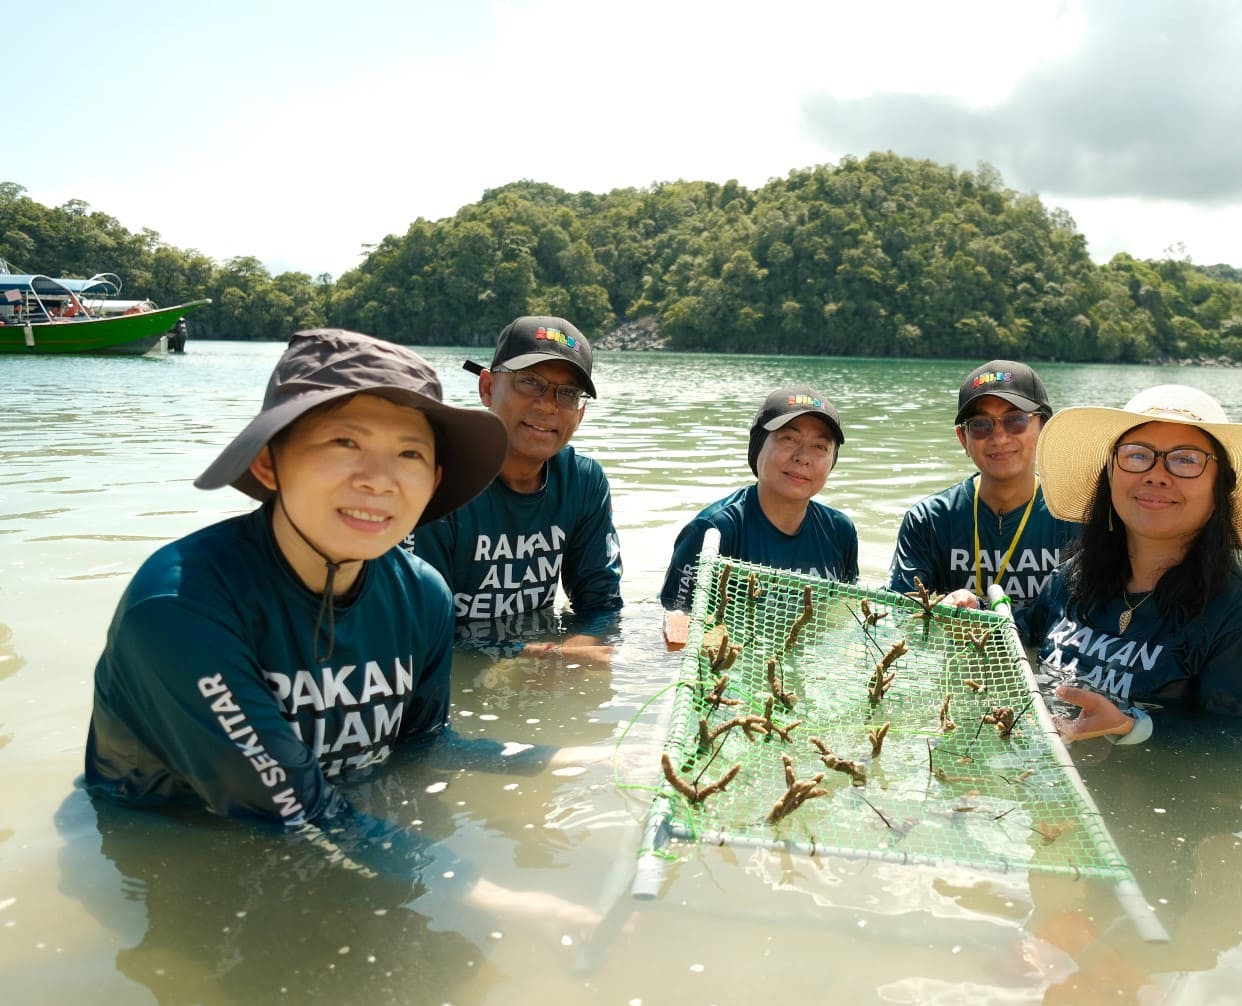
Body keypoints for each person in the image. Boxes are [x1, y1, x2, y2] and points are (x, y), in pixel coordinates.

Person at [83, 328, 612, 916]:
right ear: (268, 460)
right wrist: (486, 893)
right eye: (343, 442)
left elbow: (424, 745)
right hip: (181, 849)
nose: (378, 479)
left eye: (410, 453)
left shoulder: (422, 597)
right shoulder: (182, 607)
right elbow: (290, 804)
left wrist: (571, 759)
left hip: (340, 829)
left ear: (435, 480)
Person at [1003, 383, 1242, 744]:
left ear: (1221, 487)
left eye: (1185, 459)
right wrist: (973, 612)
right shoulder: (1073, 578)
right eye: (1137, 455)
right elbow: (1030, 629)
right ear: (1110, 473)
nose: (1155, 474)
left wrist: (1136, 728)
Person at [409, 315, 622, 659]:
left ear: (580, 415)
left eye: (567, 393)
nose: (548, 405)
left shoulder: (582, 483)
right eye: (530, 382)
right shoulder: (440, 482)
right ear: (488, 388)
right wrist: (540, 655)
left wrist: (579, 650)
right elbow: (420, 632)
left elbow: (601, 605)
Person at [886, 359, 1079, 643]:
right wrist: (941, 611)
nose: (999, 437)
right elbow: (898, 613)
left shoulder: (1075, 518)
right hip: (954, 665)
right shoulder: (929, 520)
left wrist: (982, 609)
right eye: (980, 425)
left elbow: (1081, 620)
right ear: (963, 439)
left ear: (1044, 429)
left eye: (1016, 419)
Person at [659, 384, 858, 648]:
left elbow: (844, 615)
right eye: (788, 439)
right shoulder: (713, 531)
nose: (803, 458)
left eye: (819, 446)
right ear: (757, 446)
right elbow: (676, 625)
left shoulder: (840, 532)